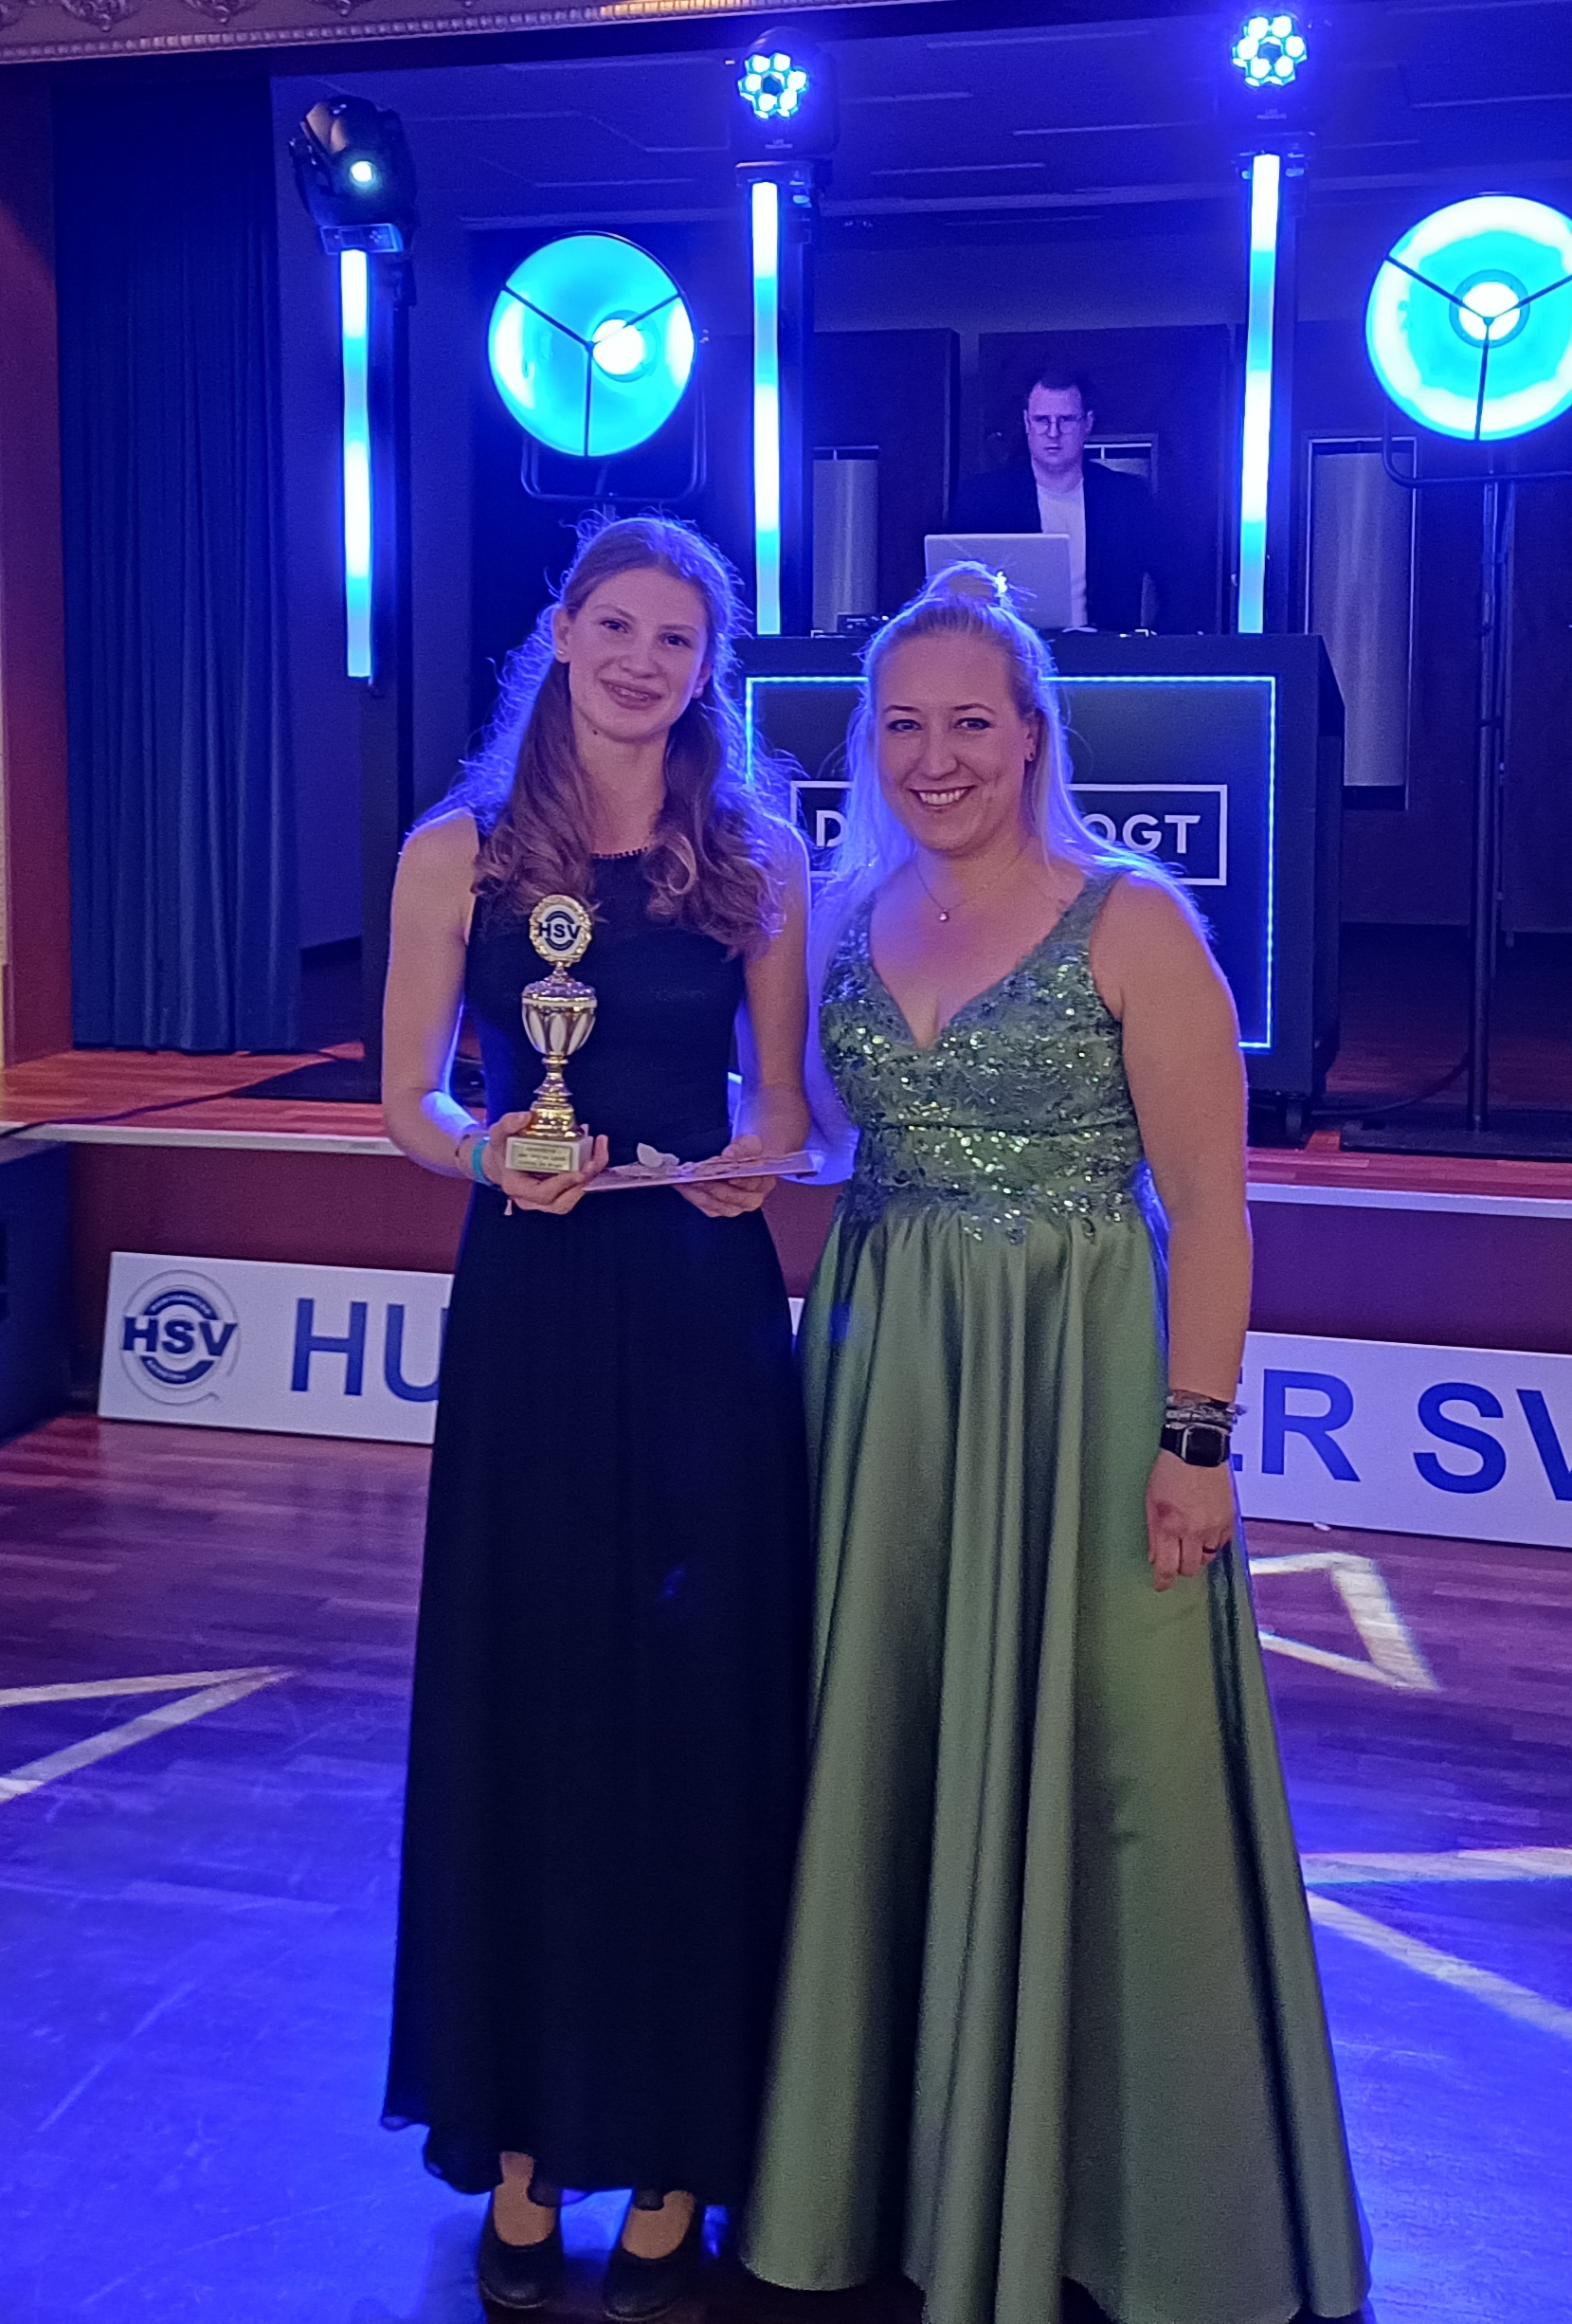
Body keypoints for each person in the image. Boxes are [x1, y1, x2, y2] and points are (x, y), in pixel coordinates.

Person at [742, 565, 1369, 2324]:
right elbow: (805, 1138)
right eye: (902, 724)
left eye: (970, 722)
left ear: (1032, 737)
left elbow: (1212, 1215)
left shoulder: (1131, 920)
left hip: (1082, 1375)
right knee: (880, 1740)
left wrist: (1195, 1440)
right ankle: (872, 2173)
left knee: (1111, 1759)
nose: (933, 756)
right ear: (868, 741)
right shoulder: (841, 914)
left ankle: (1116, 2204)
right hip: (885, 1374)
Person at [380, 516, 812, 2321]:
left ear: (707, 667)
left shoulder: (759, 854)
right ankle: (525, 2143)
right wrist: (488, 1148)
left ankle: (680, 2157)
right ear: (558, 635)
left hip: (700, 1305)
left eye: (676, 638)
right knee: (534, 1699)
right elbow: (405, 1099)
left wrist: (755, 1157)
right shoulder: (456, 852)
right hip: (534, 1307)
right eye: (616, 625)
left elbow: (786, 1108)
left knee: (698, 1714)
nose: (643, 660)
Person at [948, 370, 1166, 632]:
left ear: (1087, 423)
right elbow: (954, 587)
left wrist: (1156, 646)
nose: (1053, 432)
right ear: (1027, 423)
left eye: (1066, 420)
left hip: (1105, 650)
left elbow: (1177, 579)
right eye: (1042, 420)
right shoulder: (983, 498)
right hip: (1012, 649)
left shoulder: (1127, 498)